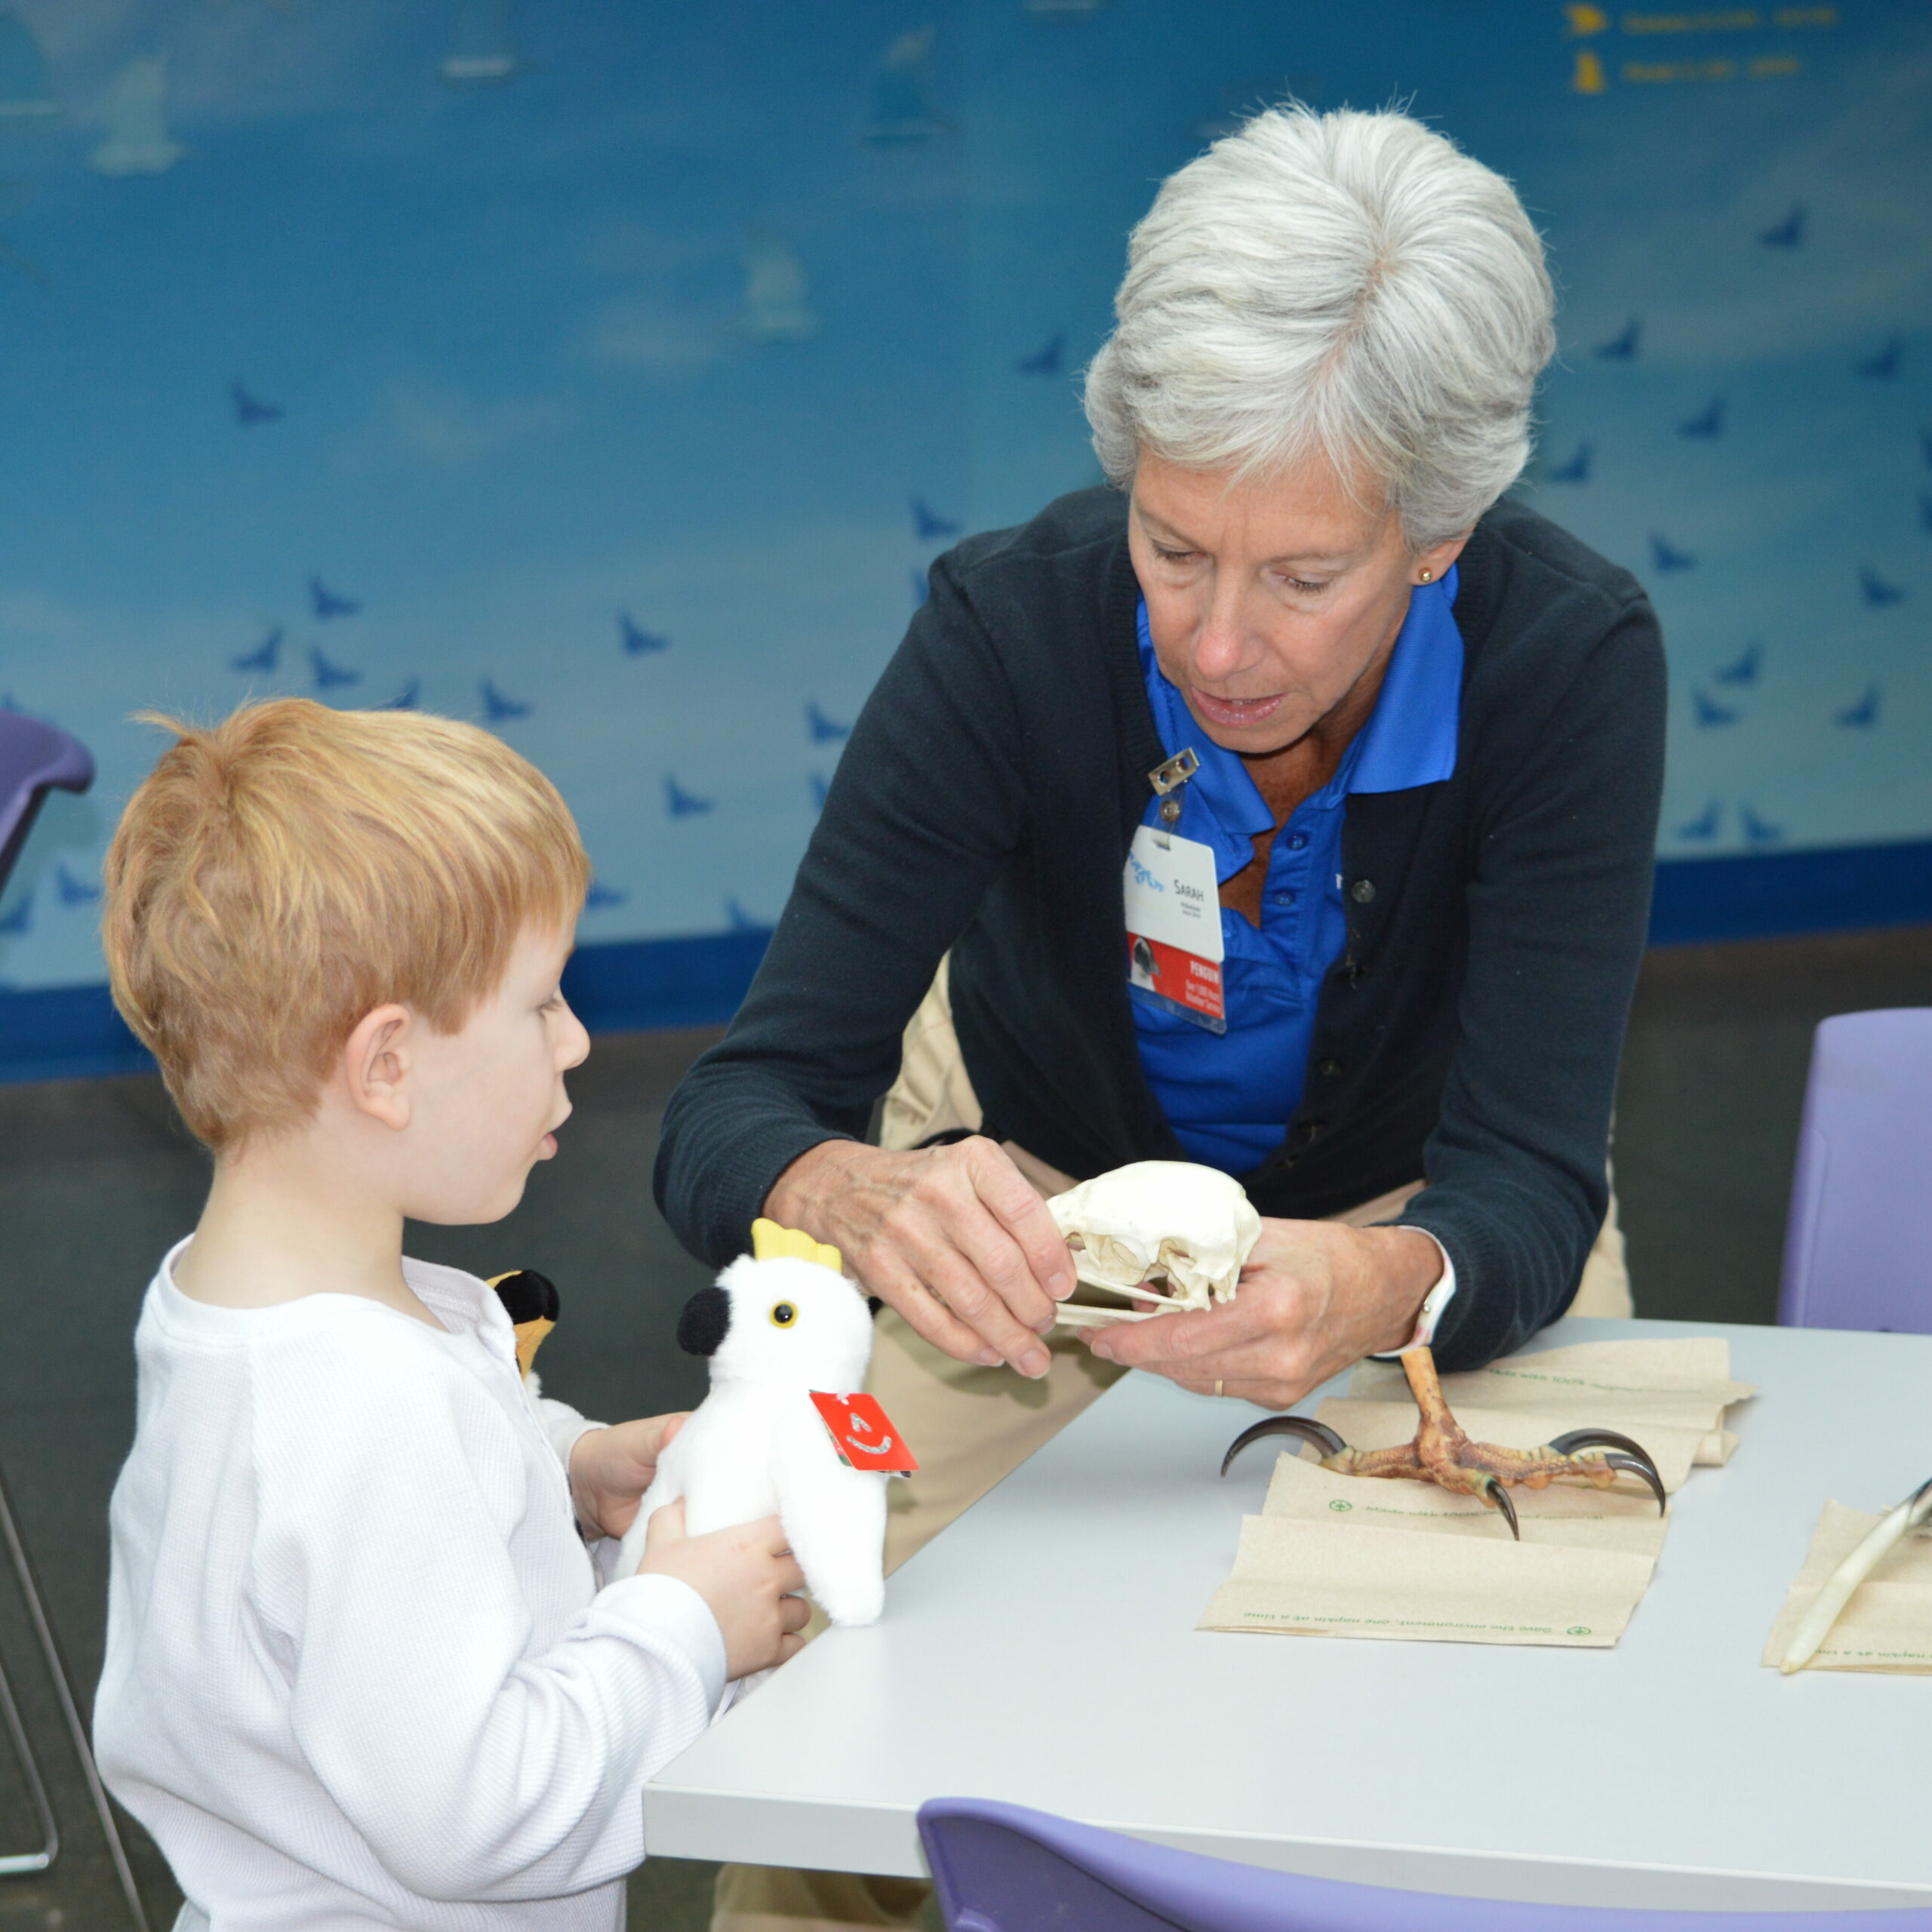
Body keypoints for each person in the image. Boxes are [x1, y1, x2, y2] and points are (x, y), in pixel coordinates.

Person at [660, 103, 1666, 1930]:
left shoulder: (1564, 660)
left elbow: (1524, 1176)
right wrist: (863, 1195)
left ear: (1434, 537)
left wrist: (1373, 1284)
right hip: (1021, 1215)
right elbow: (741, 1099)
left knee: (1527, 1737)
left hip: (1421, 1214)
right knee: (827, 1743)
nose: (1216, 645)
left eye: (1302, 577)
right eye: (1173, 546)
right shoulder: (1006, 626)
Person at [93, 699, 809, 1932]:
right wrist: (686, 1622)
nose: (578, 1040)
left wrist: (563, 1471)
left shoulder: (252, 1312)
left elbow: (336, 1552)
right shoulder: (365, 1409)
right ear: (385, 1066)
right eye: (541, 1003)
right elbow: (488, 1812)